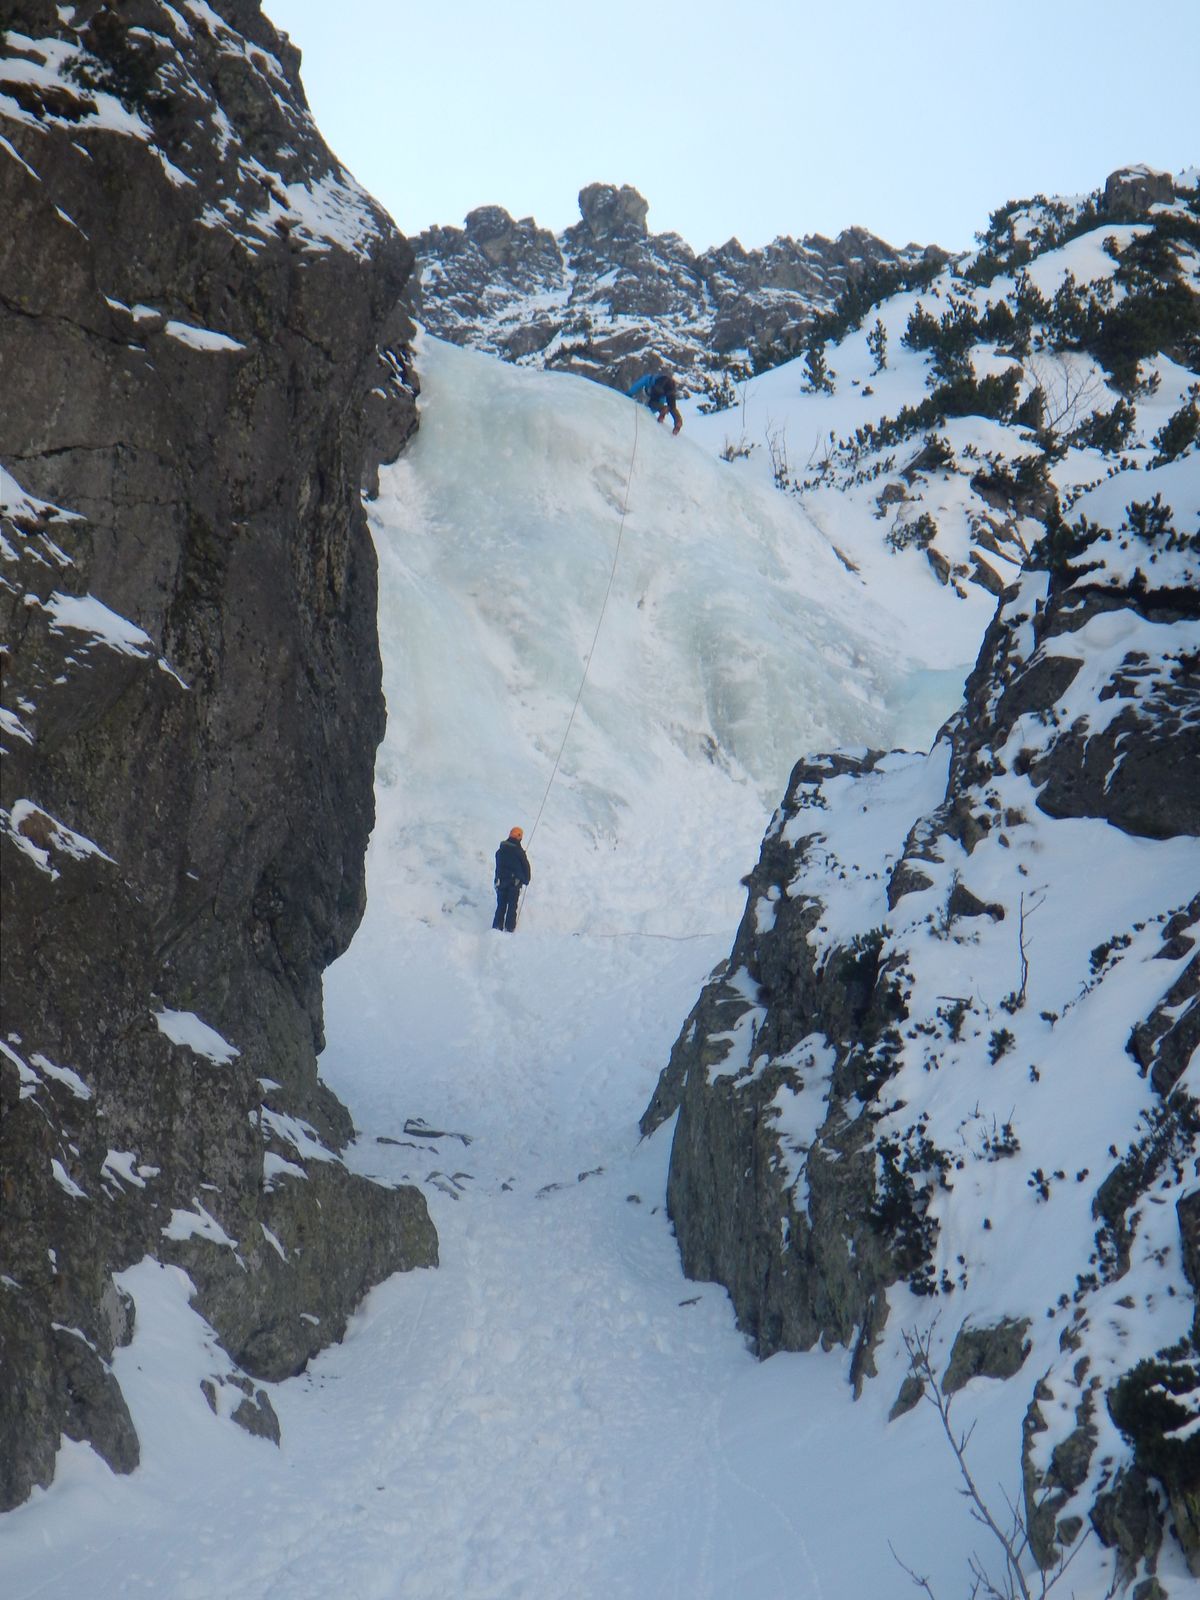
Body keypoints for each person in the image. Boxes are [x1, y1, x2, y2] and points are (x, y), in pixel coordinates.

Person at [493, 826, 531, 931]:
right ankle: (509, 929)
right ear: (519, 837)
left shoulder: (500, 851)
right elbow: (526, 867)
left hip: (500, 882)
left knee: (501, 906)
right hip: (514, 883)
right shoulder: (519, 852)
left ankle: (496, 928)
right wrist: (526, 880)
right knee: (512, 907)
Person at [626, 370, 683, 435]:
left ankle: (662, 408)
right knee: (672, 407)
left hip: (660, 385)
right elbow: (662, 405)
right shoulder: (652, 378)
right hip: (671, 387)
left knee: (652, 403)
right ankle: (678, 420)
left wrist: (627, 394)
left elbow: (635, 387)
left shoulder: (647, 380)